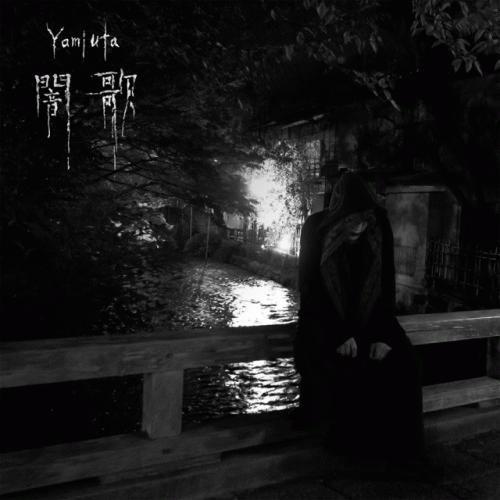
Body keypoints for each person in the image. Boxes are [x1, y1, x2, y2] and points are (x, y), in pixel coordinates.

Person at [293, 170, 429, 475]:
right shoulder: (315, 227)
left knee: (407, 361)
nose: (359, 227)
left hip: (370, 315)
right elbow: (309, 286)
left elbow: (387, 284)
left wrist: (383, 335)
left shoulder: (378, 226)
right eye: (351, 220)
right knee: (338, 361)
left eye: (364, 220)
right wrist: (340, 333)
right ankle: (353, 446)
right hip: (326, 316)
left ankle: (409, 453)